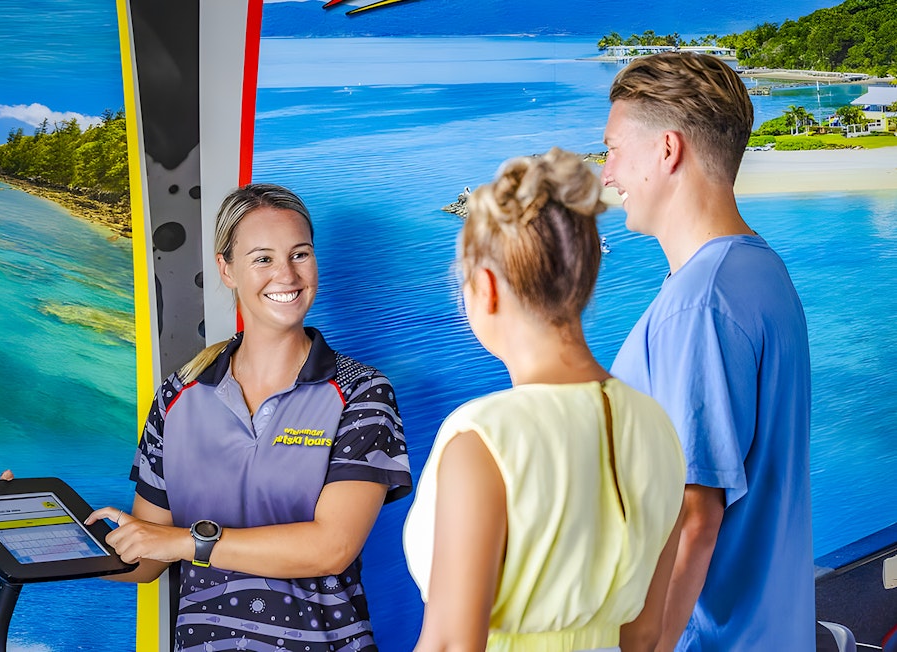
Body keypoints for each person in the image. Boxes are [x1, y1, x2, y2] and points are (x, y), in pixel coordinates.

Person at [86, 183, 413, 650]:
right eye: (262, 258)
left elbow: (332, 547)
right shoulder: (179, 396)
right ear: (227, 269)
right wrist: (37, 528)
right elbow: (144, 561)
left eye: (300, 254)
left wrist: (186, 543)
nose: (286, 274)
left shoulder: (361, 393)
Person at [403, 148, 686, 652]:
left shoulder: (483, 438)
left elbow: (449, 644)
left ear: (484, 288)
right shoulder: (655, 426)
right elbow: (645, 637)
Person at [601, 52, 814, 651]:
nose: (606, 174)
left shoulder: (699, 306)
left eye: (614, 148)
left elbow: (694, 518)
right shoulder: (761, 270)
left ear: (667, 150)